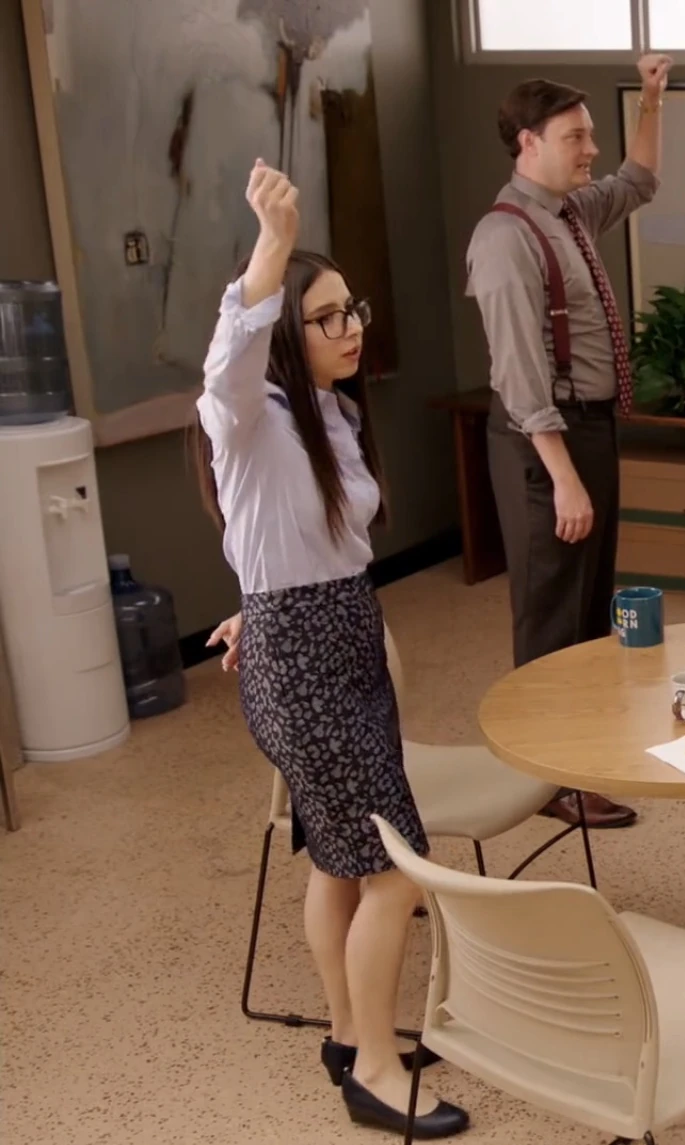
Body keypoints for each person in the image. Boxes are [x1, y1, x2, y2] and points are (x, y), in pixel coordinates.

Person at [195, 160, 468, 1137]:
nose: (351, 327)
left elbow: (291, 544)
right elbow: (225, 366)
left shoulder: (333, 413)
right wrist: (271, 247)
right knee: (394, 866)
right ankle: (377, 1072)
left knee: (340, 861)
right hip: (308, 664)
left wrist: (253, 606)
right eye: (326, 316)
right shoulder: (249, 415)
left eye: (352, 310)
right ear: (284, 331)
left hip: (334, 636)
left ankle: (350, 1035)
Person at [465, 54, 672, 830]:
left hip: (589, 429)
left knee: (589, 605)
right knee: (552, 613)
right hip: (541, 443)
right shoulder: (504, 238)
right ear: (528, 142)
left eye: (590, 135)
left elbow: (640, 179)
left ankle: (579, 755)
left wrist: (652, 97)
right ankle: (543, 777)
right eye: (576, 137)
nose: (592, 149)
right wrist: (563, 476)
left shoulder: (571, 212)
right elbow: (519, 374)